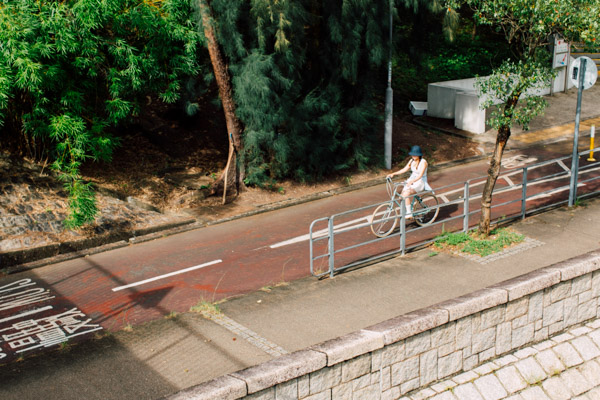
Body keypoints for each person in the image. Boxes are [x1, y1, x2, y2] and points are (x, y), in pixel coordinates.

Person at [386, 145, 431, 217]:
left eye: (415, 154)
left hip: (420, 182)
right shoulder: (411, 161)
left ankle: (409, 213)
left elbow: (420, 175)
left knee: (406, 194)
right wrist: (393, 174)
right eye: (412, 154)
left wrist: (412, 181)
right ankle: (409, 208)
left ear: (419, 155)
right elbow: (404, 169)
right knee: (401, 197)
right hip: (412, 180)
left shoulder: (423, 162)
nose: (413, 156)